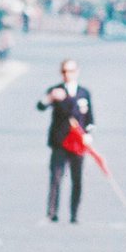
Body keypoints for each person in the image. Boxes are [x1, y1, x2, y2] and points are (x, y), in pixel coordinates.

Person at [37, 58, 94, 223]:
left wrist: (89, 134)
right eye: (64, 71)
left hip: (78, 142)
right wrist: (50, 98)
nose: (67, 75)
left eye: (70, 71)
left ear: (77, 71)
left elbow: (89, 117)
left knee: (77, 179)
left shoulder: (84, 93)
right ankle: (52, 212)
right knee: (56, 177)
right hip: (60, 141)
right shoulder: (55, 90)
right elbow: (40, 106)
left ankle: (74, 214)